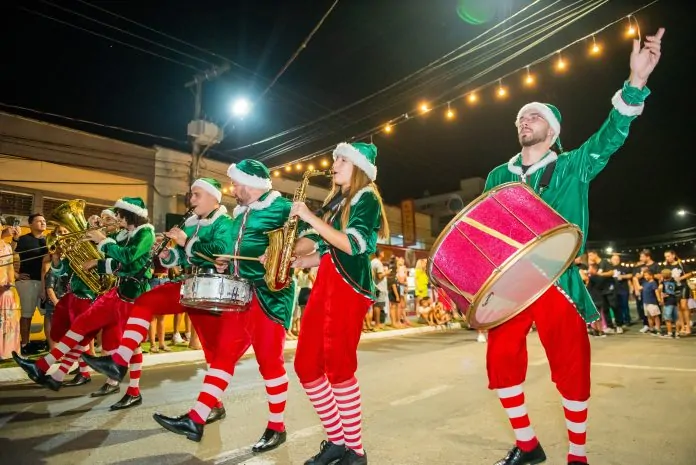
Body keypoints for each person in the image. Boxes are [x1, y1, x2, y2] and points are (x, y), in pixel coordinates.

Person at [480, 29, 664, 465]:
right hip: (510, 284)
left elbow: (611, 135)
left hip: (558, 277)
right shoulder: (497, 177)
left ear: (552, 129)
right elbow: (483, 235)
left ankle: (577, 455)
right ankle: (528, 446)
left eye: (534, 116)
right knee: (500, 363)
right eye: (521, 117)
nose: (524, 121)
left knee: (571, 366)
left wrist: (636, 82)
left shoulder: (573, 165)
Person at [82, 178, 235, 424]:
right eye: (191, 195)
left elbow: (220, 251)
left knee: (212, 351)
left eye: (196, 195)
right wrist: (167, 254)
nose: (191, 200)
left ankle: (214, 406)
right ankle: (118, 363)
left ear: (213, 197)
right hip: (190, 285)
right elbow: (183, 259)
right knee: (145, 301)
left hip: (211, 290)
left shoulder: (225, 222)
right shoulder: (193, 223)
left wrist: (185, 241)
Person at [291, 142, 390, 465]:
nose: (334, 164)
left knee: (339, 367)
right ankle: (337, 441)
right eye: (335, 158)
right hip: (325, 283)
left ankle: (355, 452)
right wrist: (296, 257)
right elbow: (322, 246)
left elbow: (353, 245)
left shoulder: (367, 197)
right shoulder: (337, 201)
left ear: (359, 167)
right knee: (306, 365)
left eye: (342, 159)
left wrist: (308, 216)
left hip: (348, 287)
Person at [13, 197, 155, 412]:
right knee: (83, 326)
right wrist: (93, 245)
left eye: (118, 215)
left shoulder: (146, 233)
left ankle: (132, 391)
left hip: (134, 296)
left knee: (131, 344)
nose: (117, 219)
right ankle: (44, 367)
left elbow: (127, 258)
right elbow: (117, 262)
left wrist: (102, 243)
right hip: (118, 293)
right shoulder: (124, 234)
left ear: (130, 215)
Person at [12, 213, 48, 354]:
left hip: (46, 283)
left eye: (44, 221)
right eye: (39, 221)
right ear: (30, 224)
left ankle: (49, 342)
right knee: (27, 314)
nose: (43, 223)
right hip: (28, 281)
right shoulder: (23, 239)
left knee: (49, 314)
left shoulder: (48, 240)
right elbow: (7, 254)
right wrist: (16, 275)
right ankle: (25, 344)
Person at [0, 215, 20, 360]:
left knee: (8, 321)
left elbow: (10, 266)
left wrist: (11, 281)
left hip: (6, 291)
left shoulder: (6, 246)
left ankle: (7, 352)